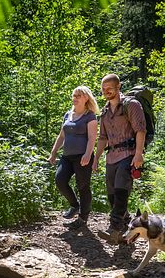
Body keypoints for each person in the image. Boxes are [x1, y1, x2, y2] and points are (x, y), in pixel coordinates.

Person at [93, 74, 146, 244]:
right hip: (111, 157)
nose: (106, 91)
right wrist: (96, 158)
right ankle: (126, 226)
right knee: (112, 195)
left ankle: (113, 228)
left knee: (122, 189)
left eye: (109, 87)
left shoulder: (132, 105)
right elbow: (102, 138)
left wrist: (138, 154)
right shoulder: (105, 111)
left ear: (118, 86)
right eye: (103, 88)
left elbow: (140, 130)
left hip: (128, 154)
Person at [48, 86, 99, 229]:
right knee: (60, 180)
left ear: (86, 98)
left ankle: (83, 218)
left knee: (83, 186)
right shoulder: (67, 114)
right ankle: (74, 205)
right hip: (67, 157)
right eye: (74, 95)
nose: (75, 98)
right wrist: (53, 152)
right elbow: (62, 135)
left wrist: (88, 154)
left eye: (78, 96)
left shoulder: (90, 116)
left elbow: (92, 138)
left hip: (82, 156)